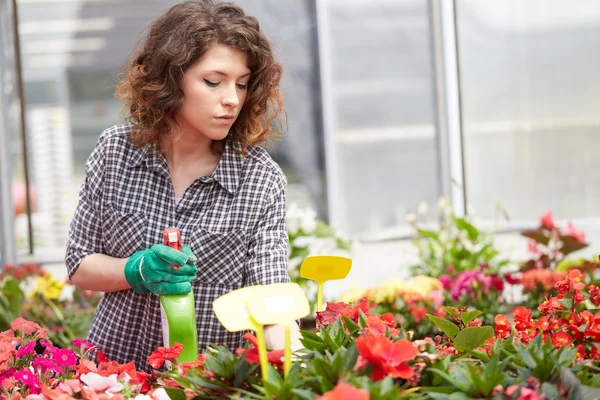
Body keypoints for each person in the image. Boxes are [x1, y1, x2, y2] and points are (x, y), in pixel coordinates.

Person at [65, 0, 300, 372]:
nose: (232, 100)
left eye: (242, 84)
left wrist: (298, 363)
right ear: (171, 79)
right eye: (213, 81)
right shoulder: (115, 152)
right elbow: (79, 265)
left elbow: (270, 296)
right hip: (112, 377)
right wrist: (134, 270)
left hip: (206, 382)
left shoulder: (259, 178)